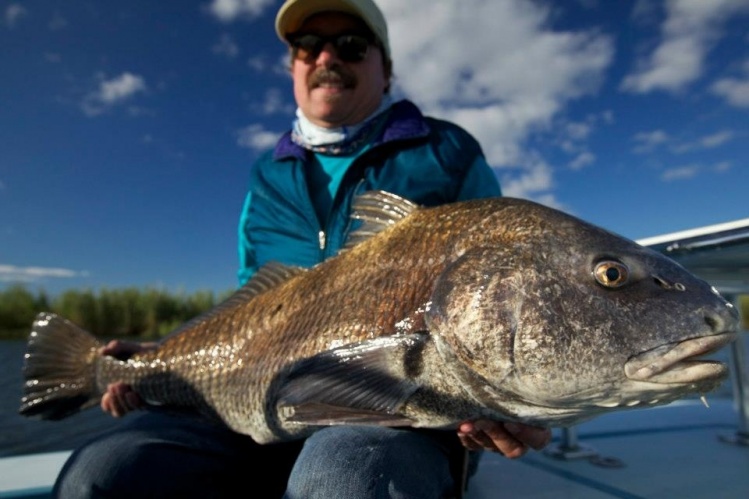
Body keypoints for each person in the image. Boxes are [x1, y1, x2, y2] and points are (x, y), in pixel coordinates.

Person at [54, 1, 552, 497]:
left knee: (344, 478)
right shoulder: (267, 174)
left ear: (387, 70)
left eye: (351, 46)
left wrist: (522, 395)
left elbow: (506, 274)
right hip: (252, 406)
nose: (326, 58)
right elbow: (249, 304)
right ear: (293, 66)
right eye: (308, 46)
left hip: (401, 416)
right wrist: (158, 360)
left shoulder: (447, 150)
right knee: (100, 472)